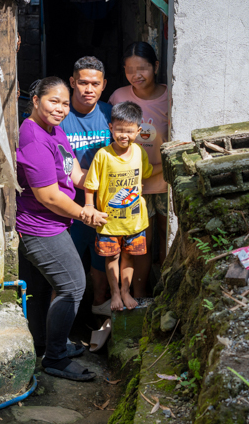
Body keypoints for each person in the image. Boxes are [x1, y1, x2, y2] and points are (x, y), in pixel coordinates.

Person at [16, 77, 108, 382]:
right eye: (53, 101)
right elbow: (49, 195)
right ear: (36, 100)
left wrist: (106, 186)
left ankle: (49, 345)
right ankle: (54, 358)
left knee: (54, 289)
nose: (60, 108)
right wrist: (85, 213)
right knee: (72, 287)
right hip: (40, 228)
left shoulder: (54, 131)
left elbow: (74, 172)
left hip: (55, 223)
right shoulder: (32, 137)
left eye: (65, 103)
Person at [84, 102, 162, 311]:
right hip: (109, 221)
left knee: (129, 257)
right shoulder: (103, 155)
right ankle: (115, 293)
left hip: (134, 220)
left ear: (138, 131)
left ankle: (126, 292)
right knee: (112, 257)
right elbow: (90, 185)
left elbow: (146, 172)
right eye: (119, 130)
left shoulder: (138, 152)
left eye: (129, 131)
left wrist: (167, 163)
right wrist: (90, 207)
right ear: (111, 128)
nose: (123, 135)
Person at [109, 42, 169, 296]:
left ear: (155, 66)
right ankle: (141, 295)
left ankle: (168, 292)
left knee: (170, 240)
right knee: (140, 244)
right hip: (133, 188)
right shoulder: (119, 97)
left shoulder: (172, 96)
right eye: (130, 70)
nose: (136, 75)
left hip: (166, 183)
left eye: (142, 68)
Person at [59, 56, 113, 316]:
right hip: (69, 206)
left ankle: (97, 311)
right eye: (82, 82)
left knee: (103, 261)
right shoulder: (60, 115)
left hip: (105, 206)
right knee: (66, 269)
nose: (88, 89)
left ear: (104, 85)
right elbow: (68, 167)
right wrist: (90, 185)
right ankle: (61, 328)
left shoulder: (110, 114)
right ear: (72, 82)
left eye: (95, 83)